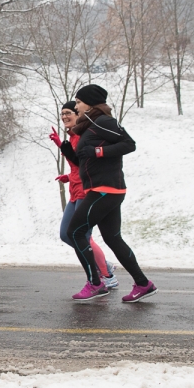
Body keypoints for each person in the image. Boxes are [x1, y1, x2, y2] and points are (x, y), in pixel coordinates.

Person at [65, 84, 157, 302]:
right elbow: (84, 160)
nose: (76, 106)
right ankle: (144, 284)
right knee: (112, 238)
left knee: (75, 232)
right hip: (104, 189)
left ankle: (96, 283)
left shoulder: (103, 121)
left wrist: (98, 151)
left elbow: (129, 144)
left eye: (78, 102)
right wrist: (67, 149)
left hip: (105, 190)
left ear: (90, 102)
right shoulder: (90, 125)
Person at [49, 101, 118, 289]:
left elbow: (85, 164)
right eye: (62, 113)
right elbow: (76, 165)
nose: (64, 116)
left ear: (78, 114)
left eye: (69, 112)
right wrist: (68, 176)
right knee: (66, 234)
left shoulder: (82, 136)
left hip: (87, 191)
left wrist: (62, 147)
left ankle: (106, 274)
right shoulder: (73, 137)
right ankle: (102, 264)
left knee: (84, 236)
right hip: (75, 190)